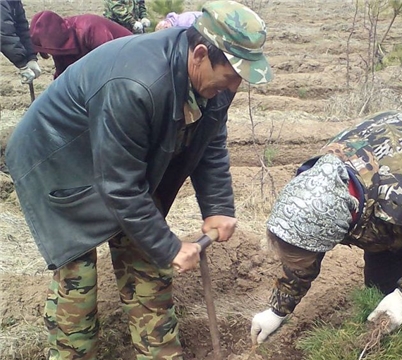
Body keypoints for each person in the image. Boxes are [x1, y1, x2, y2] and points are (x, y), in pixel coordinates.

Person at [6, 1, 272, 359]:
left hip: (115, 155)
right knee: (79, 277)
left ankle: (160, 351)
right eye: (232, 75)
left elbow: (210, 145)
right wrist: (170, 246)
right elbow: (121, 187)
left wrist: (218, 207)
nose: (235, 86)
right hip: (57, 157)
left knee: (147, 260)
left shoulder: (215, 86)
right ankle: (72, 352)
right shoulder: (136, 84)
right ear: (200, 54)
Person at [250, 109, 402, 360]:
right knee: (380, 283)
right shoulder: (313, 194)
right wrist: (278, 310)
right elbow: (302, 248)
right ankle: (395, 348)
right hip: (386, 184)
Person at [30, 11, 132, 79]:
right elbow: (63, 75)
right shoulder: (59, 44)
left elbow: (109, 67)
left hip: (130, 59)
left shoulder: (90, 29)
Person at [1, 0, 41, 84]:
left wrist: (31, 57)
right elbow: (4, 35)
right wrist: (22, 64)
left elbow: (22, 29)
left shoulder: (14, 2)